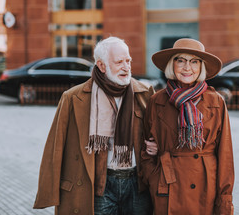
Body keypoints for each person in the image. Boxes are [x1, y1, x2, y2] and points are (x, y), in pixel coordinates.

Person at [33, 36, 155, 215]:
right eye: (119, 62)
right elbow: (55, 146)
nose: (126, 67)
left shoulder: (144, 93)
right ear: (102, 65)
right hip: (99, 186)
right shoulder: (73, 98)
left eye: (128, 61)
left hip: (137, 184)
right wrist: (49, 191)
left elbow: (157, 134)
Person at [140, 38, 235, 215]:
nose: (187, 68)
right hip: (167, 188)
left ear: (201, 67)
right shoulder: (157, 101)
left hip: (205, 189)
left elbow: (225, 157)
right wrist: (153, 176)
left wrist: (224, 200)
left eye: (194, 62)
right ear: (172, 64)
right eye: (181, 60)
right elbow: (145, 149)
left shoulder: (215, 102)